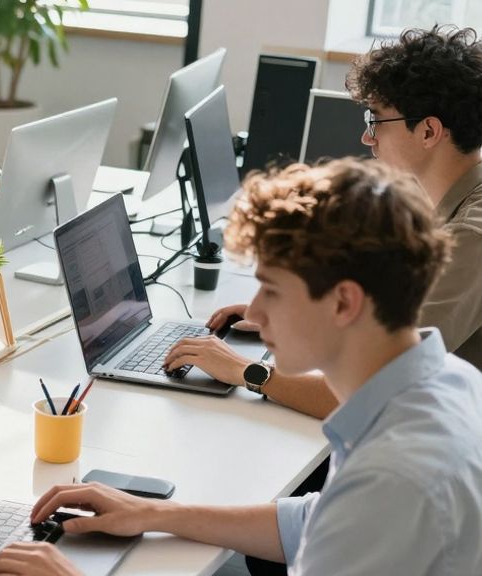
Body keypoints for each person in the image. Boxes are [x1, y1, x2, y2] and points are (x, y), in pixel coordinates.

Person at [3, 158, 482, 576]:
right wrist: (153, 513)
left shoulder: (399, 478)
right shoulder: (449, 386)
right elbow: (318, 522)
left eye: (272, 290)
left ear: (344, 302)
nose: (253, 314)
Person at [163, 26, 482, 417]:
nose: (367, 138)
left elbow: (375, 388)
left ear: (429, 131)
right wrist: (297, 313)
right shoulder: (440, 197)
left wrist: (247, 371)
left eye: (376, 121)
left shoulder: (471, 236)